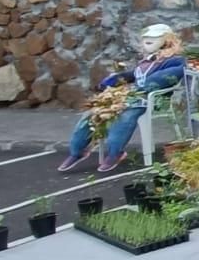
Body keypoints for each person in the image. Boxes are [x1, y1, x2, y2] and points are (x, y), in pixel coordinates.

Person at [60, 24, 187, 173]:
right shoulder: (148, 60)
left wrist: (145, 86)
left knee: (125, 116)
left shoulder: (174, 60)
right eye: (145, 38)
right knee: (92, 113)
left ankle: (115, 153)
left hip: (153, 100)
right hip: (131, 97)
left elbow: (167, 75)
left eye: (153, 38)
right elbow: (134, 75)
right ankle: (77, 151)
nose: (147, 40)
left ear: (167, 40)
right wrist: (114, 80)